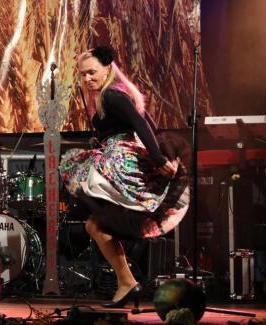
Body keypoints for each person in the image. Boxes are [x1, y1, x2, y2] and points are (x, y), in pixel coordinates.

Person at [59, 46, 190, 308]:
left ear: (107, 68)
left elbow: (142, 125)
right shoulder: (114, 94)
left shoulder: (112, 95)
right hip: (117, 161)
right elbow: (147, 122)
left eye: (92, 72)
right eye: (83, 74)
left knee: (92, 215)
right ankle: (127, 282)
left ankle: (127, 282)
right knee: (95, 225)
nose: (87, 79)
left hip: (121, 166)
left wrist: (159, 158)